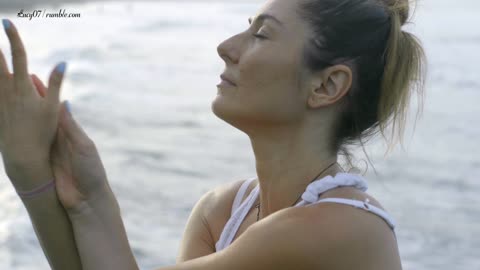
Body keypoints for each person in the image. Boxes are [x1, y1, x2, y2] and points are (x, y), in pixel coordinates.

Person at [0, 0, 426, 269]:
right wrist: (39, 177)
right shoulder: (224, 211)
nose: (226, 45)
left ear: (326, 86)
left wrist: (90, 198)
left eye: (261, 33)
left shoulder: (343, 227)